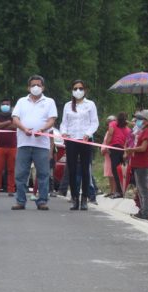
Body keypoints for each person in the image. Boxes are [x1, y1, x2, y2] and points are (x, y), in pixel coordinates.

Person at [11, 75, 57, 211]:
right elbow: (15, 118)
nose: (36, 87)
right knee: (20, 174)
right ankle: (20, 201)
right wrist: (24, 128)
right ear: (28, 87)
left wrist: (43, 129)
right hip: (23, 143)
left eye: (38, 85)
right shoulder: (21, 101)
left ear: (43, 87)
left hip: (41, 144)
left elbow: (52, 119)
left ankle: (42, 201)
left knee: (43, 174)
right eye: (33, 85)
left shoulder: (49, 102)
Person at [60, 79, 99, 211]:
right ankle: (75, 198)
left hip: (85, 140)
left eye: (80, 88)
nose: (78, 91)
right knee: (71, 169)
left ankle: (85, 198)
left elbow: (94, 122)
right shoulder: (67, 105)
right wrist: (64, 132)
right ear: (72, 90)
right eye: (75, 88)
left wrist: (88, 134)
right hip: (71, 140)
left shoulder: (90, 104)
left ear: (85, 90)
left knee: (85, 169)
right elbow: (63, 123)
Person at [124, 110, 148, 220]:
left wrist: (131, 149)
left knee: (143, 189)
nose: (137, 121)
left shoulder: (147, 132)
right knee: (140, 188)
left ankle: (145, 212)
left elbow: (143, 148)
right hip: (138, 163)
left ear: (146, 121)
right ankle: (143, 210)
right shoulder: (142, 132)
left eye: (140, 119)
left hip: (143, 164)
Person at [0, 98, 17, 196]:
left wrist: (1, 125)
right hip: (0, 146)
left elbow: (15, 126)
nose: (5, 106)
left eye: (7, 104)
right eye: (3, 104)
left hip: (12, 147)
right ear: (0, 105)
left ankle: (11, 190)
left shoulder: (14, 116)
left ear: (10, 106)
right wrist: (7, 123)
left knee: (11, 170)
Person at [102, 112, 130, 198]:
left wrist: (107, 146)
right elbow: (126, 141)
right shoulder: (127, 129)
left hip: (114, 148)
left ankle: (119, 191)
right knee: (121, 171)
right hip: (121, 149)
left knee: (116, 170)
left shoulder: (113, 124)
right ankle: (121, 190)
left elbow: (110, 135)